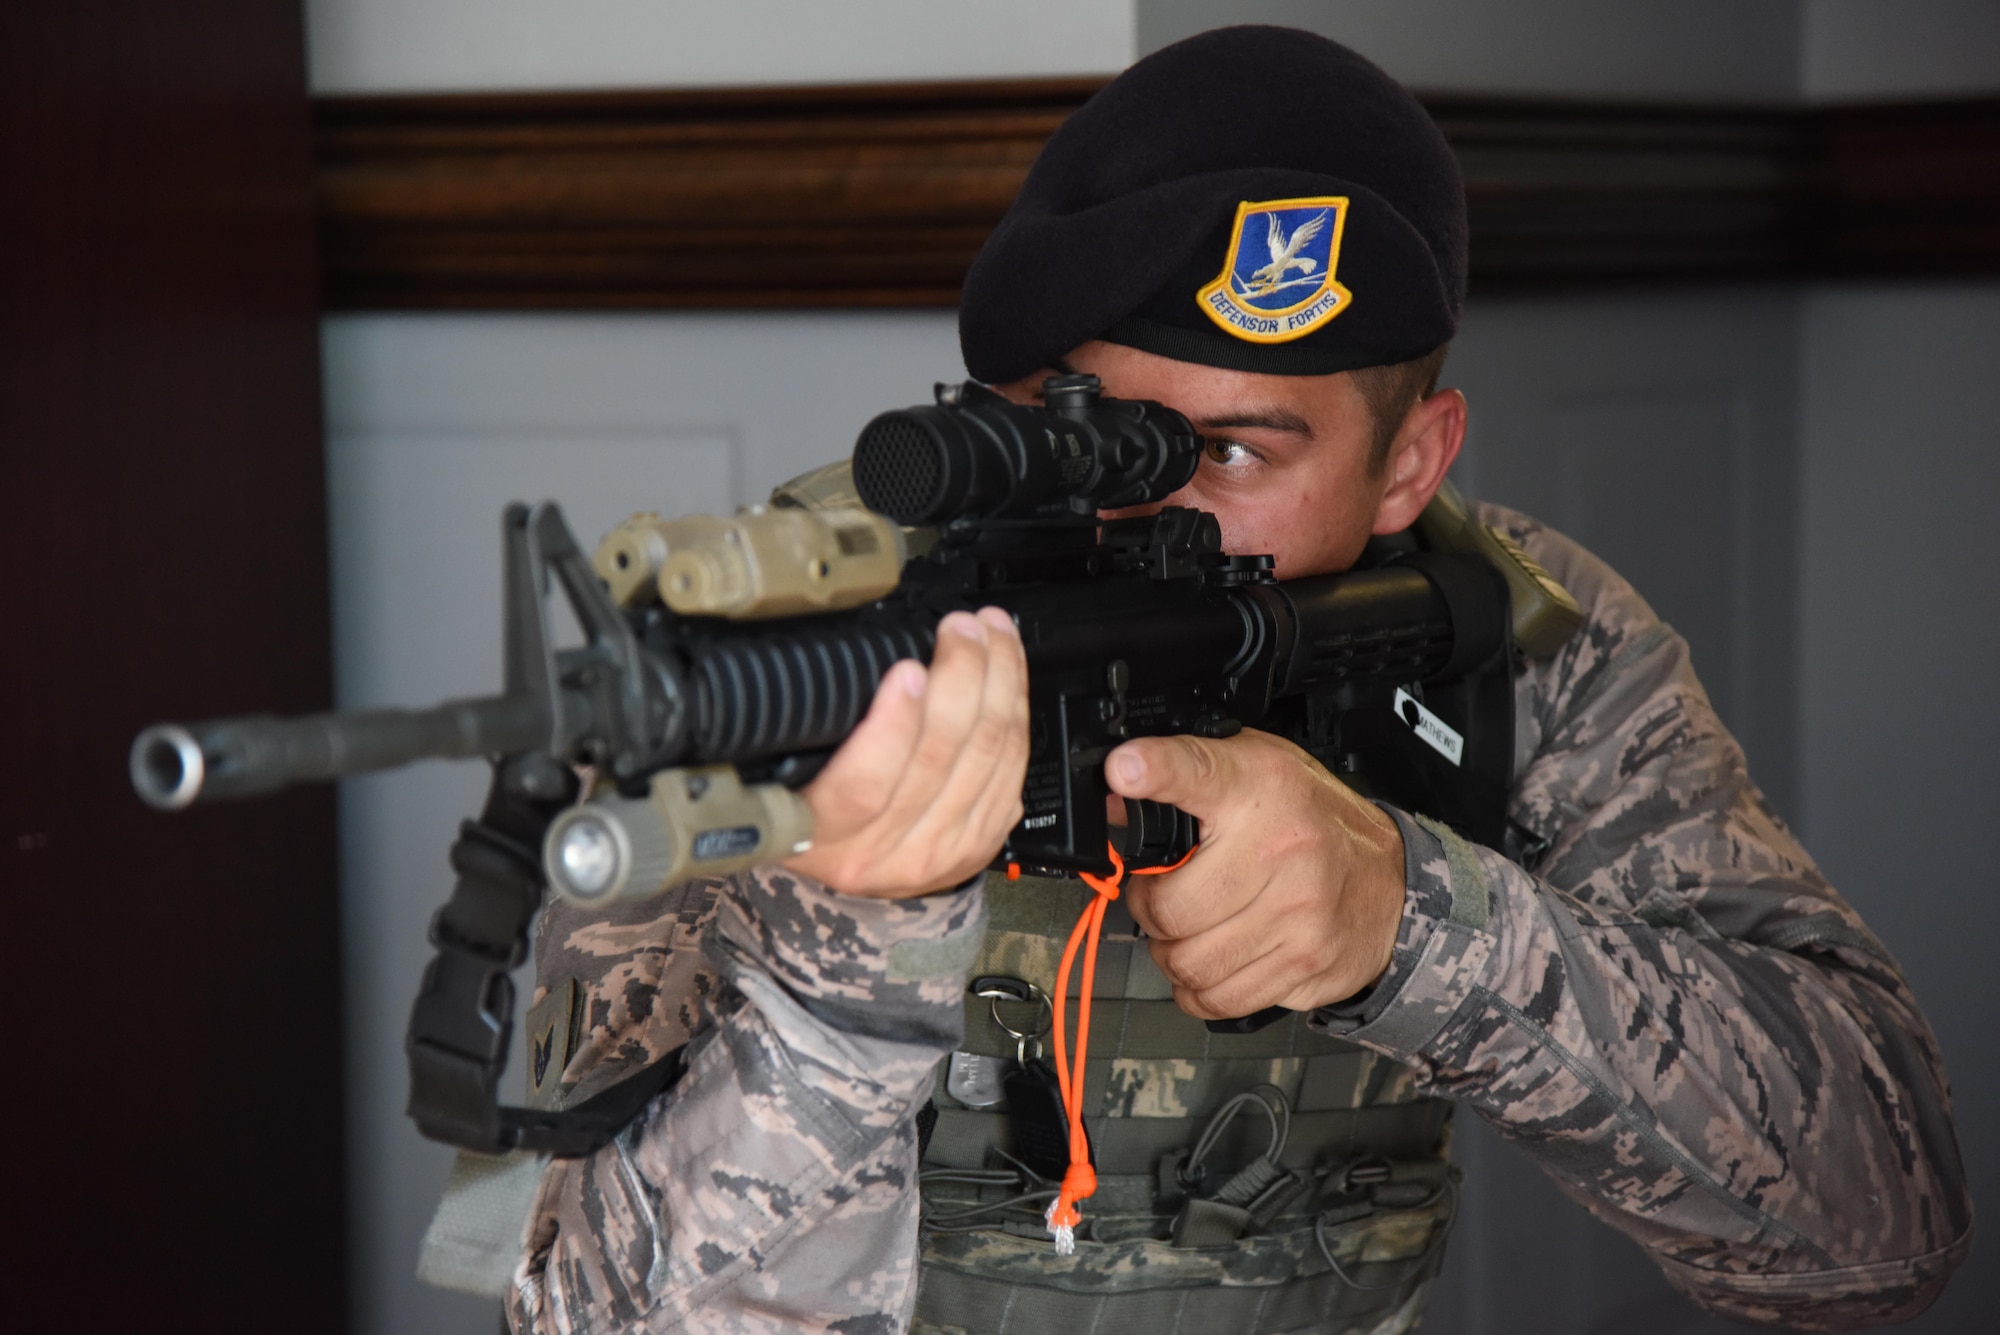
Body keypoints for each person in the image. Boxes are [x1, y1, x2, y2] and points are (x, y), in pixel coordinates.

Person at [506, 27, 1971, 1335]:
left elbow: (1876, 1242)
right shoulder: (792, 647)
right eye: (1083, 433)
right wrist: (852, 975)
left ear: (1412, 463)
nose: (1142, 522)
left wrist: (1417, 927)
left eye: (1234, 454)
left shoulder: (1522, 638)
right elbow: (582, 1318)